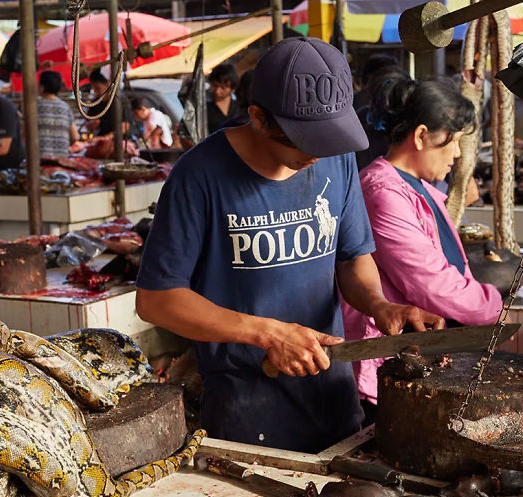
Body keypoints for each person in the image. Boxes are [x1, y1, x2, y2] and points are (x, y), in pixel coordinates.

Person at [135, 37, 443, 453]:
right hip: (247, 408)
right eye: (303, 141)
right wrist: (267, 334)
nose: (316, 156)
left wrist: (379, 304)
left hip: (333, 394)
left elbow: (352, 258)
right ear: (258, 118)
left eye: (327, 141)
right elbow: (156, 300)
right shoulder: (199, 175)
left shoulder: (336, 157)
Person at [341, 77, 502, 408]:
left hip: (414, 355)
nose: (457, 153)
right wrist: (494, 304)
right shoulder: (383, 193)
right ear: (421, 136)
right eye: (452, 141)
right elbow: (431, 284)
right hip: (389, 361)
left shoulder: (416, 187)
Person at [37, 70, 78, 159]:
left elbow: (24, 137)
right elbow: (75, 137)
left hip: (39, 160)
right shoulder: (65, 107)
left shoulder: (34, 107)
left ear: (42, 87)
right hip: (62, 160)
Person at [83, 68, 128, 137]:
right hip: (100, 138)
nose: (95, 92)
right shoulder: (95, 103)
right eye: (93, 89)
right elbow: (87, 124)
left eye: (97, 88)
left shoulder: (121, 101)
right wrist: (91, 124)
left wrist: (106, 138)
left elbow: (124, 127)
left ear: (108, 84)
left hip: (120, 139)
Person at [206, 62, 239, 134]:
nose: (217, 91)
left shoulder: (239, 106)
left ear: (232, 89)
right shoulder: (203, 106)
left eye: (223, 88)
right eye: (215, 85)